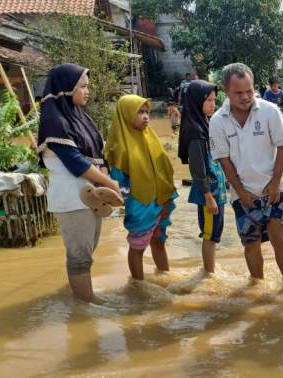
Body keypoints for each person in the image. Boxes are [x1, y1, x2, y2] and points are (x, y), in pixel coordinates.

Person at [37, 63, 121, 302]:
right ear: (66, 88)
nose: (87, 91)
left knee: (87, 250)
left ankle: (78, 293)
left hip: (90, 196)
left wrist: (105, 175)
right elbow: (74, 162)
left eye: (87, 87)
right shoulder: (54, 120)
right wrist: (111, 184)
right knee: (79, 256)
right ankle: (86, 306)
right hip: (72, 197)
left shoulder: (80, 118)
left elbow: (98, 155)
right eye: (82, 86)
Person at [210, 63, 283, 289]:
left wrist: (275, 183)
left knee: (279, 236)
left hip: (275, 188)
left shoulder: (269, 111)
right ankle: (257, 288)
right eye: (238, 92)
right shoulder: (217, 121)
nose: (246, 97)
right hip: (242, 193)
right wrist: (241, 192)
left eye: (249, 90)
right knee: (251, 243)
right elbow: (224, 161)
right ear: (225, 91)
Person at [106, 95, 177, 281]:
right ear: (126, 114)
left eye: (147, 112)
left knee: (159, 242)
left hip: (161, 202)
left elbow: (165, 170)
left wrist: (168, 197)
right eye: (140, 112)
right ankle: (138, 287)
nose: (145, 116)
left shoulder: (150, 138)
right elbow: (118, 184)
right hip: (140, 207)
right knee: (137, 248)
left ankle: (165, 279)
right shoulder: (120, 147)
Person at [178, 80, 227, 275]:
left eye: (214, 100)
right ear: (197, 101)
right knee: (209, 234)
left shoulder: (205, 124)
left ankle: (210, 271)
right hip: (210, 194)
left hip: (216, 190)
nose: (212, 104)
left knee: (214, 234)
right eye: (208, 100)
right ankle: (209, 275)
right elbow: (197, 168)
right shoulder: (196, 131)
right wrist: (208, 195)